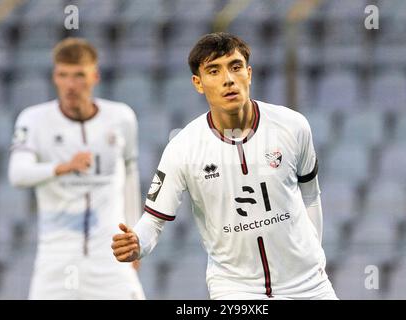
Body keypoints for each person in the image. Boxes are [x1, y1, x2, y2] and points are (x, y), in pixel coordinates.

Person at [112, 32, 338, 300]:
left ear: (249, 73)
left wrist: (314, 250)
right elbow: (153, 221)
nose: (228, 79)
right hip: (236, 288)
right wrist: (138, 243)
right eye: (214, 71)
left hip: (309, 284)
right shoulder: (182, 148)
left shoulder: (293, 126)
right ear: (198, 83)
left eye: (235, 67)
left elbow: (310, 193)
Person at [8, 37, 145, 300]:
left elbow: (129, 175)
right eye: (64, 75)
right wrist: (63, 167)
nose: (71, 85)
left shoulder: (121, 117)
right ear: (54, 77)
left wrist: (134, 236)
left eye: (79, 75)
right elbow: (18, 174)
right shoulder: (33, 119)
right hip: (56, 255)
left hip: (109, 253)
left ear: (95, 76)